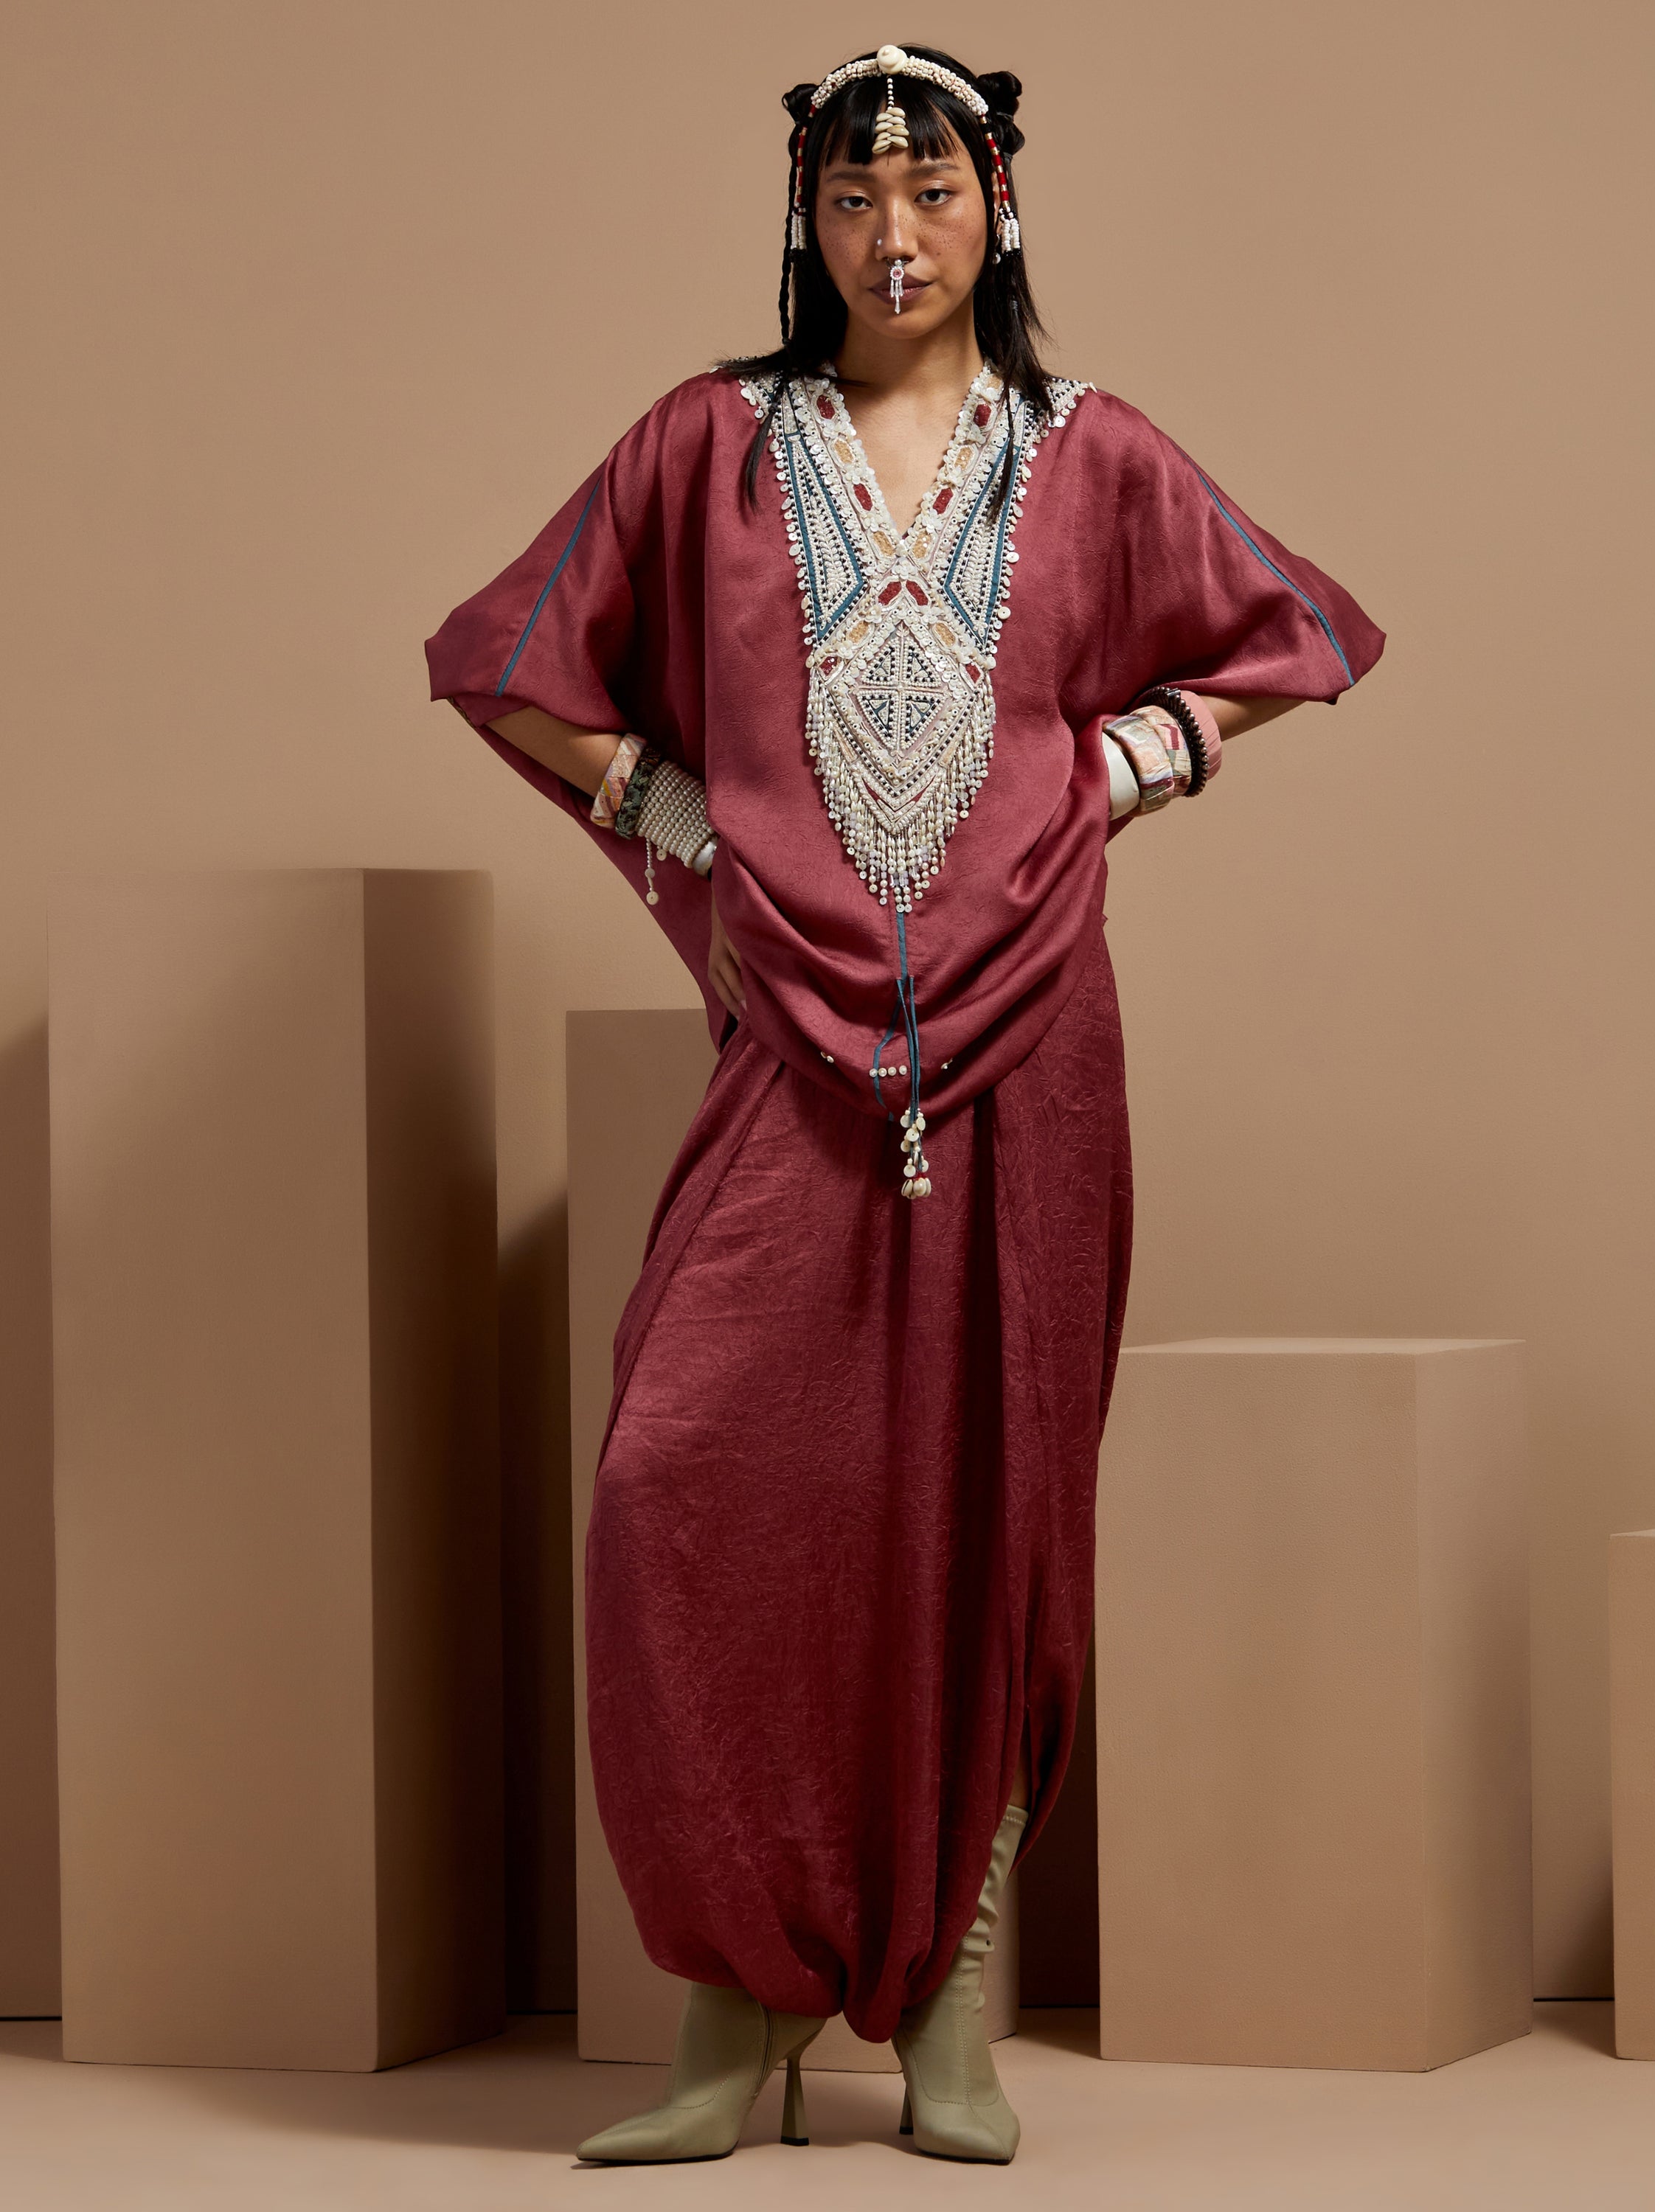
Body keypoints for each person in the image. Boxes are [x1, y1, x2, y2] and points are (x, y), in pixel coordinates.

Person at [426, 41, 1383, 2166]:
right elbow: (507, 658)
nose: (893, 232)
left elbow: (1296, 633)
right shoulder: (703, 450)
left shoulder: (1093, 453)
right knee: (678, 1483)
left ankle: (952, 2006)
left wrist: (1124, 763)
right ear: (808, 221)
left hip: (1035, 1045)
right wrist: (675, 814)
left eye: (931, 190)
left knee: (994, 1512)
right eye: (852, 198)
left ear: (999, 205)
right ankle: (734, 2005)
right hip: (791, 1041)